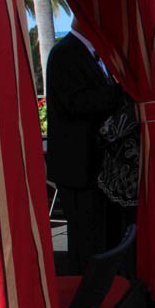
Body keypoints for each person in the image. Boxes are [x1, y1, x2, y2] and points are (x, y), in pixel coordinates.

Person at [46, 18, 124, 273]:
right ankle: (86, 295)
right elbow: (77, 103)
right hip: (78, 165)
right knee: (85, 239)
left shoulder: (94, 55)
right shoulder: (65, 54)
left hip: (99, 166)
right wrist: (122, 91)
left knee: (101, 235)